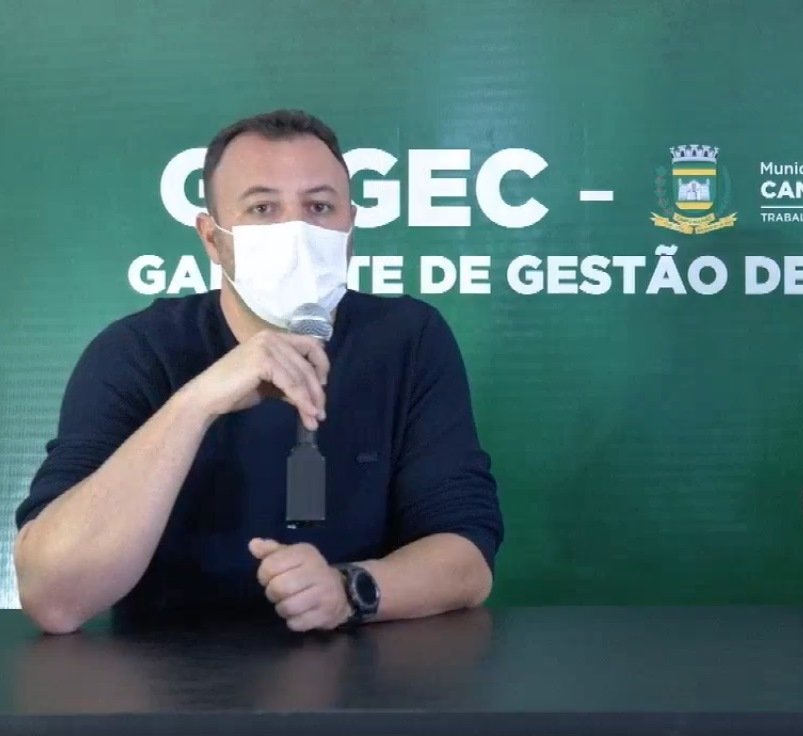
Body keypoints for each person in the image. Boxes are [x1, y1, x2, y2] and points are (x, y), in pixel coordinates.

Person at [14, 109, 503, 634]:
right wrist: (197, 403)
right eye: (263, 208)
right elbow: (54, 597)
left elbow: (467, 560)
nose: (297, 230)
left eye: (319, 207)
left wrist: (348, 590)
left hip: (362, 673)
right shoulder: (137, 351)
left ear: (350, 227)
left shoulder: (408, 338)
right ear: (212, 238)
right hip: (171, 674)